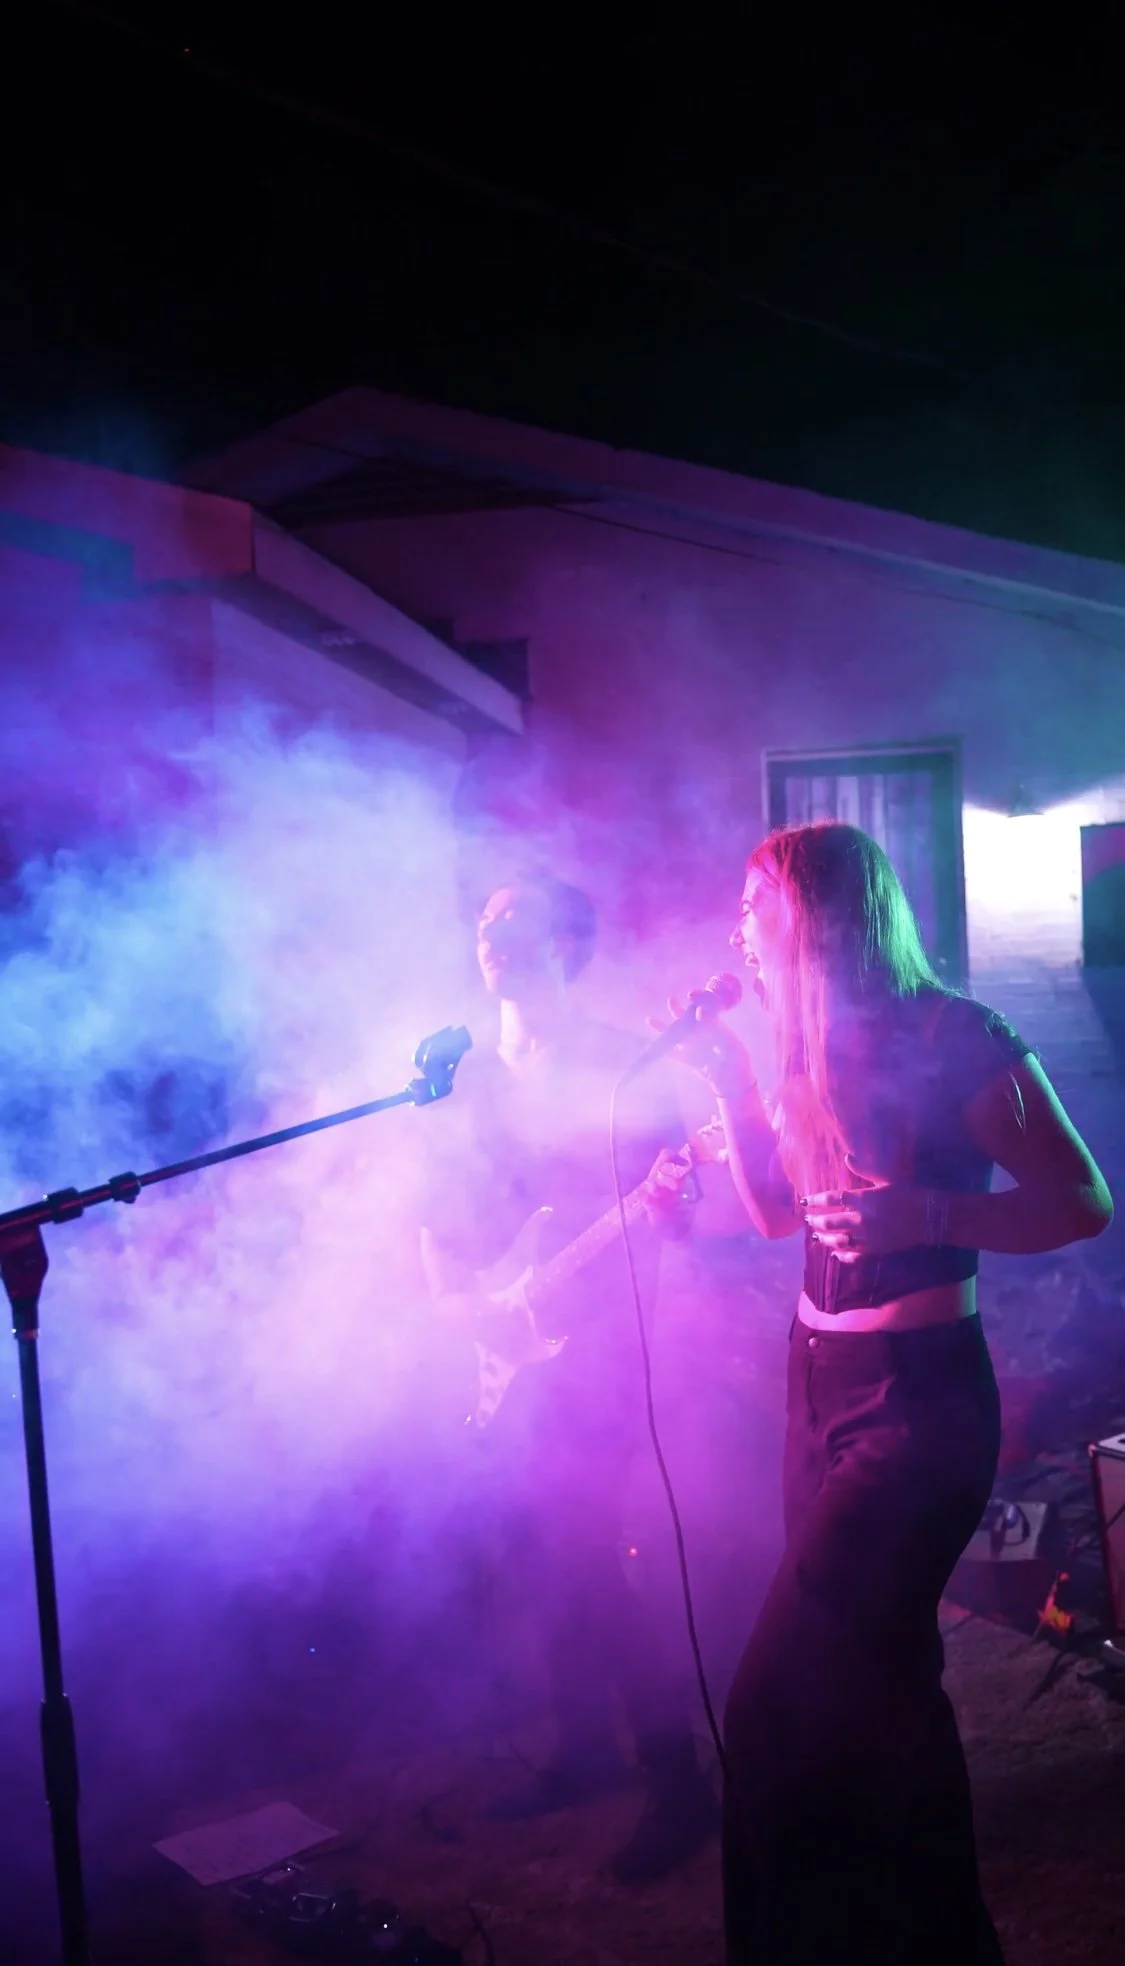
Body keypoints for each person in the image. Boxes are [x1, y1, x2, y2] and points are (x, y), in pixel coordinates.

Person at [651, 821, 1112, 1965]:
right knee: (890, 1685)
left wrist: (936, 1216)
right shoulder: (795, 1045)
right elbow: (769, 1214)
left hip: (917, 1408)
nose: (738, 932)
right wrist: (721, 1073)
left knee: (766, 1715)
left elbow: (1084, 1199)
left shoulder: (958, 1037)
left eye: (755, 907)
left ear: (817, 914)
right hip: (817, 1390)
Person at [419, 870, 718, 1882]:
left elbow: (682, 1204)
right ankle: (584, 1749)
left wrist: (667, 1209)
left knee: (594, 1560)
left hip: (597, 1348)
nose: (492, 933)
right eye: (485, 917)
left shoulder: (616, 1063)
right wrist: (457, 1301)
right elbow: (443, 1210)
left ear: (564, 942)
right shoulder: (474, 1075)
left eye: (514, 920)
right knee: (540, 1561)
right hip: (507, 1340)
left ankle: (681, 1783)